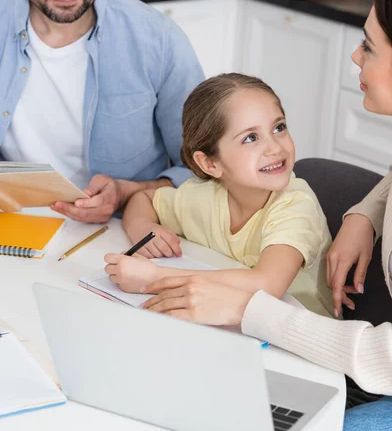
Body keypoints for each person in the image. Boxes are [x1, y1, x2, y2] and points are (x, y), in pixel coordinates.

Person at [132, 0, 392, 431]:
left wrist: (251, 309)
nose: (354, 58)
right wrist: (366, 211)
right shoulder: (202, 197)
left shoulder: (289, 205)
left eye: (369, 46)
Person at [0, 0, 203, 223]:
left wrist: (127, 193)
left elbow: (203, 170)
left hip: (121, 235)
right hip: (8, 227)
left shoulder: (158, 40)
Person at [105, 73, 334, 316]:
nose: (275, 148)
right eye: (251, 138)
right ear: (209, 164)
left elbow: (265, 285)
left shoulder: (296, 206)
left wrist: (154, 277)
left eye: (279, 127)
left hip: (296, 338)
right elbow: (145, 198)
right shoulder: (204, 197)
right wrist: (143, 227)